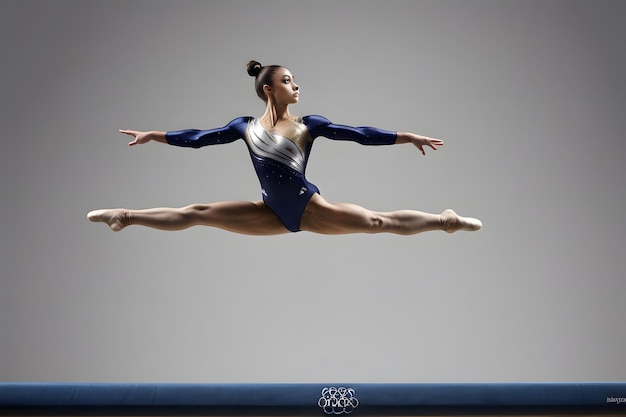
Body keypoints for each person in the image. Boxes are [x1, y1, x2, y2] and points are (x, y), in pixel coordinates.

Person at [88, 60, 482, 236]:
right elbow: (198, 139)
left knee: (378, 223)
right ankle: (125, 216)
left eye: (296, 81)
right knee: (197, 213)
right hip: (270, 214)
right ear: (268, 89)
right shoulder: (242, 126)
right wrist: (154, 135)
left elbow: (359, 133)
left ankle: (445, 220)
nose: (297, 86)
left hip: (309, 209)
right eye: (289, 81)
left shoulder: (311, 125)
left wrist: (405, 136)